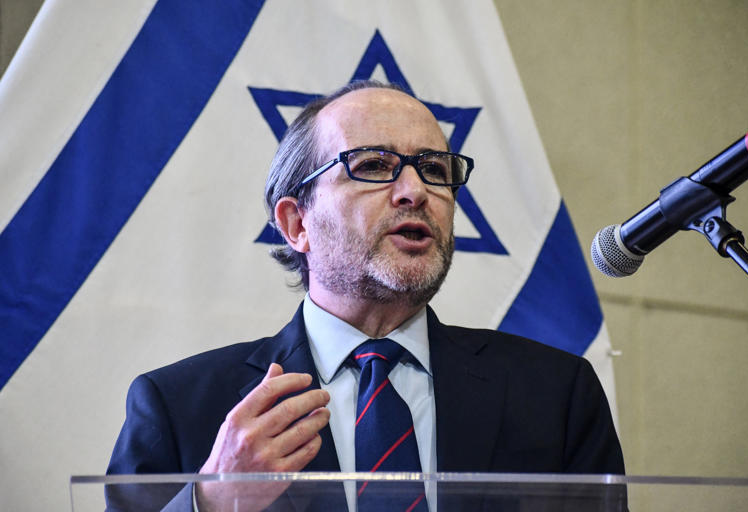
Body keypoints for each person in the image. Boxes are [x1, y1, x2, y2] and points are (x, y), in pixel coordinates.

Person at [107, 80, 625, 511]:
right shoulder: (179, 406)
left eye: (435, 170)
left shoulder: (555, 395)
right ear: (297, 223)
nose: (415, 191)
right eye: (374, 165)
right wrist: (210, 502)